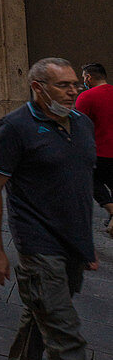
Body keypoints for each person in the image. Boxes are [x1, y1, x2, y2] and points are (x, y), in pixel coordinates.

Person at [0, 57, 113, 360]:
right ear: (38, 88)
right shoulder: (15, 128)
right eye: (64, 86)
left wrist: (103, 214)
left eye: (76, 84)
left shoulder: (83, 124)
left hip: (73, 246)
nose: (75, 91)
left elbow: (85, 176)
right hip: (38, 248)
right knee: (68, 343)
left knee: (40, 309)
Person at [77, 62, 113, 236]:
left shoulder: (86, 97)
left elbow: (79, 126)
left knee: (89, 179)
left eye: (84, 77)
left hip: (99, 152)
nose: (84, 81)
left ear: (89, 77)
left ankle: (112, 211)